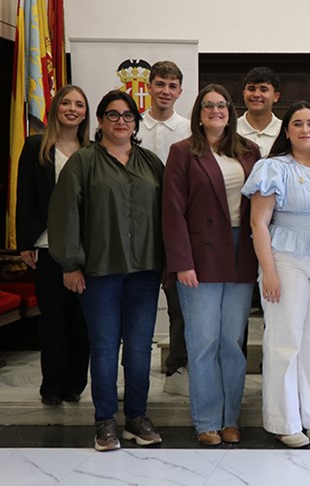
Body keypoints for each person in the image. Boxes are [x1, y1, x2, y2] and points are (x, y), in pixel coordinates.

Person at [48, 90, 165, 452]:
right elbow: (65, 213)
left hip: (145, 269)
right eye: (112, 115)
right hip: (100, 271)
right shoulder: (83, 162)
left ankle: (136, 416)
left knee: (140, 348)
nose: (121, 122)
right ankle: (105, 421)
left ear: (136, 122)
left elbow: (168, 213)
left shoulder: (151, 163)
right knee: (103, 347)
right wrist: (70, 264)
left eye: (128, 116)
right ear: (99, 121)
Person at [244, 101, 310, 448]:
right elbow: (258, 222)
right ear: (286, 130)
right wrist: (269, 271)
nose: (306, 130)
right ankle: (284, 419)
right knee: (285, 338)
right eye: (298, 124)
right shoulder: (273, 167)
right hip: (285, 255)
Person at [162, 84, 260, 447]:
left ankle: (230, 418)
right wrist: (181, 262)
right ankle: (206, 421)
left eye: (222, 105)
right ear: (199, 114)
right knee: (203, 342)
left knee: (232, 342)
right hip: (199, 256)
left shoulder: (250, 151)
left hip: (241, 252)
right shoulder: (183, 152)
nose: (216, 110)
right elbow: (172, 211)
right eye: (208, 105)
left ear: (230, 113)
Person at [16, 84, 91, 406]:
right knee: (54, 319)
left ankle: (75, 384)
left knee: (81, 320)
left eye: (79, 105)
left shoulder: (92, 150)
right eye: (66, 103)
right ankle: (52, 386)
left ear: (86, 114)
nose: (72, 109)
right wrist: (24, 242)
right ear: (56, 108)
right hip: (47, 245)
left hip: (86, 248)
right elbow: (25, 197)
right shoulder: (36, 147)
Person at [135, 60, 192, 397]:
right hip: (138, 229)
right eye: (160, 84)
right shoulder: (133, 125)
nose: (165, 91)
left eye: (172, 86)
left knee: (180, 308)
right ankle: (133, 374)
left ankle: (177, 369)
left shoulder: (189, 129)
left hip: (176, 229)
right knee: (135, 307)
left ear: (180, 91)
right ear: (149, 87)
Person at [237, 66, 282, 157]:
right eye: (251, 89)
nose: (256, 94)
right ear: (244, 94)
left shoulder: (285, 131)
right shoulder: (231, 130)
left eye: (263, 90)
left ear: (276, 96)